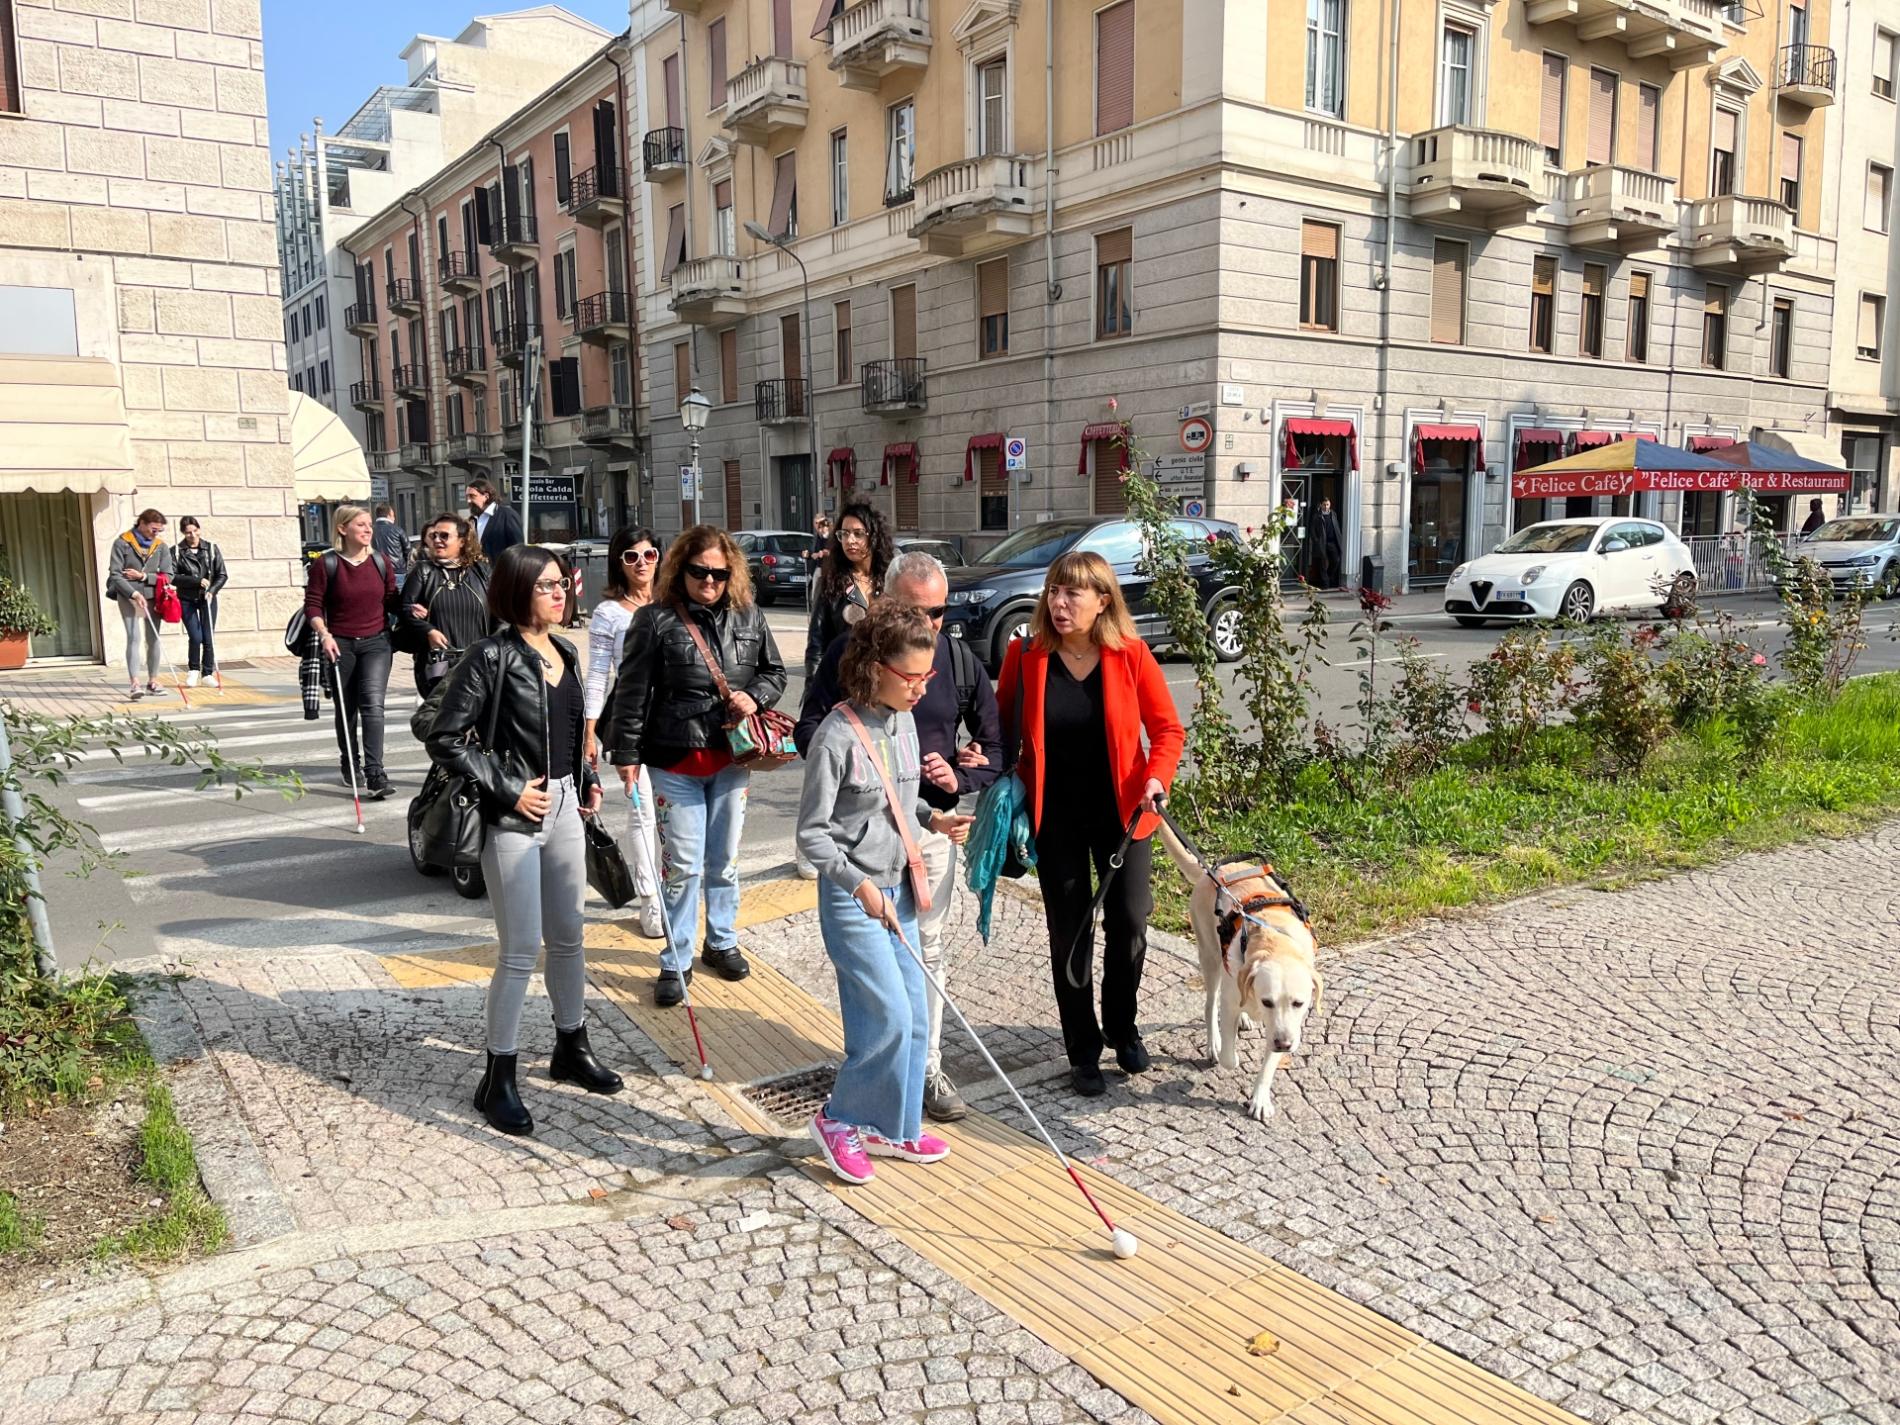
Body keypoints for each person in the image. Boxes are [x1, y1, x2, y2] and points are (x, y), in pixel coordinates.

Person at [795, 550, 1001, 1121]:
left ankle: (899, 1124)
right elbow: (813, 832)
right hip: (857, 890)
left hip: (906, 876)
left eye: (927, 676)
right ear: (877, 664)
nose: (921, 688)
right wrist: (858, 885)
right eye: (912, 677)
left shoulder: (908, 717)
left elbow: (903, 799)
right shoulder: (839, 730)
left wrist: (937, 812)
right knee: (883, 1017)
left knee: (911, 1012)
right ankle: (841, 1120)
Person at [425, 544, 617, 1137]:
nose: (560, 594)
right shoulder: (491, 656)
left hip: (562, 805)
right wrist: (508, 789)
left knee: (569, 936)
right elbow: (442, 735)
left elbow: (567, 731)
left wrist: (586, 781)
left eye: (563, 584)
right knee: (518, 949)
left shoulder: (564, 651)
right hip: (514, 816)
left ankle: (570, 1045)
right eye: (546, 587)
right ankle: (497, 1078)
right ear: (516, 592)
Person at [998, 550, 1184, 1098]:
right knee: (1070, 931)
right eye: (1054, 591)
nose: (1058, 603)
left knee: (1128, 921)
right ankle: (1082, 1048)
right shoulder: (1026, 655)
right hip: (1054, 817)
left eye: (1072, 593)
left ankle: (1122, 1027)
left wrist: (1157, 778)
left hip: (1123, 816)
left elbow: (1168, 731)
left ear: (1103, 601)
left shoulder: (1129, 655)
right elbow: (1001, 724)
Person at [604, 525, 787, 1007]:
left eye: (719, 574)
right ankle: (676, 956)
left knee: (723, 862)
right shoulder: (655, 620)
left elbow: (775, 672)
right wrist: (625, 754)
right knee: (681, 866)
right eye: (699, 571)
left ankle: (721, 941)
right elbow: (630, 692)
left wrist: (756, 696)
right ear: (680, 568)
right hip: (675, 758)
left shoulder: (749, 615)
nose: (710, 581)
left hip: (732, 759)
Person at [583, 526, 665, 939]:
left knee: (674, 817)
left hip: (675, 724)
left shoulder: (672, 603)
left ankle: (673, 891)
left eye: (649, 555)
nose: (642, 564)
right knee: (642, 813)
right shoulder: (609, 613)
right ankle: (651, 900)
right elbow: (598, 673)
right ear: (619, 562)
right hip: (631, 725)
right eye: (631, 557)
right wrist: (590, 731)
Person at [304, 505, 398, 799]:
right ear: (343, 529)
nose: (369, 529)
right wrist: (324, 634)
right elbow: (313, 605)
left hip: (377, 643)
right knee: (347, 710)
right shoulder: (327, 564)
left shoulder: (381, 562)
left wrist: (415, 607)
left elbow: (393, 600)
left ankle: (375, 773)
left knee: (373, 704)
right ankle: (349, 762)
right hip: (340, 643)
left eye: (370, 524)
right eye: (361, 525)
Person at [395, 513, 493, 696]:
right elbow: (405, 609)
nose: (437, 540)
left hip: (478, 662)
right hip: (437, 663)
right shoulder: (423, 571)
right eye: (434, 536)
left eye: (444, 536)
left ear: (462, 541)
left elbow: (498, 613)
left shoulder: (481, 572)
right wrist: (427, 629)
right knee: (444, 717)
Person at [804, 501, 893, 679]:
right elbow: (817, 645)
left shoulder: (891, 580)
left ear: (873, 537)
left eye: (858, 534)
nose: (850, 540)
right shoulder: (830, 583)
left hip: (889, 684)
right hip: (846, 685)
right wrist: (813, 694)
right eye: (844, 534)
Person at [105, 508, 173, 700]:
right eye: (153, 529)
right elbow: (116, 575)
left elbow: (168, 575)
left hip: (153, 596)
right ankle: (135, 683)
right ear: (141, 523)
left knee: (153, 639)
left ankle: (153, 681)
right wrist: (133, 593)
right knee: (133, 637)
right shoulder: (122, 543)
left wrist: (144, 576)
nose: (156, 533)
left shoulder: (161, 547)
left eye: (159, 530)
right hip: (128, 595)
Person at [172, 516, 227, 689]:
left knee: (208, 637)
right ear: (183, 533)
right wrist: (196, 580)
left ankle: (207, 673)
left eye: (195, 531)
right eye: (188, 532)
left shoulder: (211, 549)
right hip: (186, 599)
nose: (192, 535)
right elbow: (172, 577)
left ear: (199, 530)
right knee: (196, 637)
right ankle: (193, 670)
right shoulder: (175, 551)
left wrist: (212, 590)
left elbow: (222, 574)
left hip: (207, 598)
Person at [467, 478, 524, 561]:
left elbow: (518, 548)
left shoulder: (507, 515)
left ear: (486, 496)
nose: (468, 500)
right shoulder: (472, 520)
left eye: (472, 496)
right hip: (479, 572)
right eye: (467, 496)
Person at [372, 502, 411, 575]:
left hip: (376, 571)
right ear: (389, 515)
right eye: (393, 515)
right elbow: (408, 551)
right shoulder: (398, 530)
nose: (394, 518)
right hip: (397, 570)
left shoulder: (370, 531)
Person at [1315, 497, 1344, 589]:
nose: (1326, 506)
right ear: (1321, 505)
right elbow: (1313, 530)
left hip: (1332, 543)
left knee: (1336, 561)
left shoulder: (1333, 514)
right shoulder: (1317, 516)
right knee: (1323, 563)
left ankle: (1329, 578)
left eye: (1328, 504)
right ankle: (1325, 584)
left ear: (1330, 505)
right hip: (1322, 543)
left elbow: (1337, 527)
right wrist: (1317, 541)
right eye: (1324, 504)